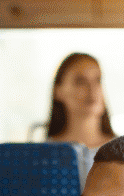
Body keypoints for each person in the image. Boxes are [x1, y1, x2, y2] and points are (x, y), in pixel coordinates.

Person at [45, 53, 116, 185]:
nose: (92, 89)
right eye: (80, 82)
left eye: (98, 80)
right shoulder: (42, 156)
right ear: (58, 91)